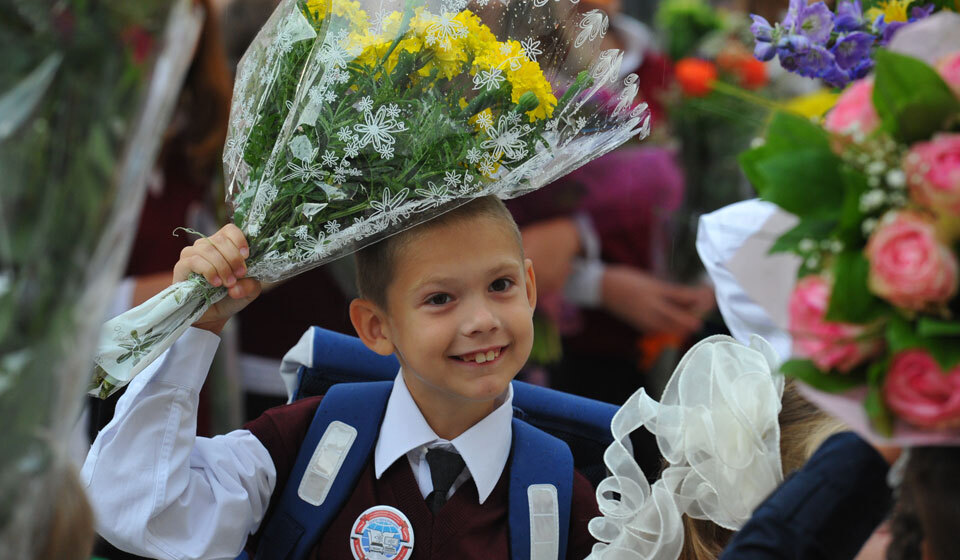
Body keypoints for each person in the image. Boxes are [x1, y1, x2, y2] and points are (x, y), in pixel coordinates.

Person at [81, 197, 600, 560]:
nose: (482, 320)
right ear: (375, 327)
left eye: (501, 285)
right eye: (440, 298)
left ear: (531, 288)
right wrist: (198, 326)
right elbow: (136, 509)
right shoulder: (305, 442)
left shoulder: (560, 493)